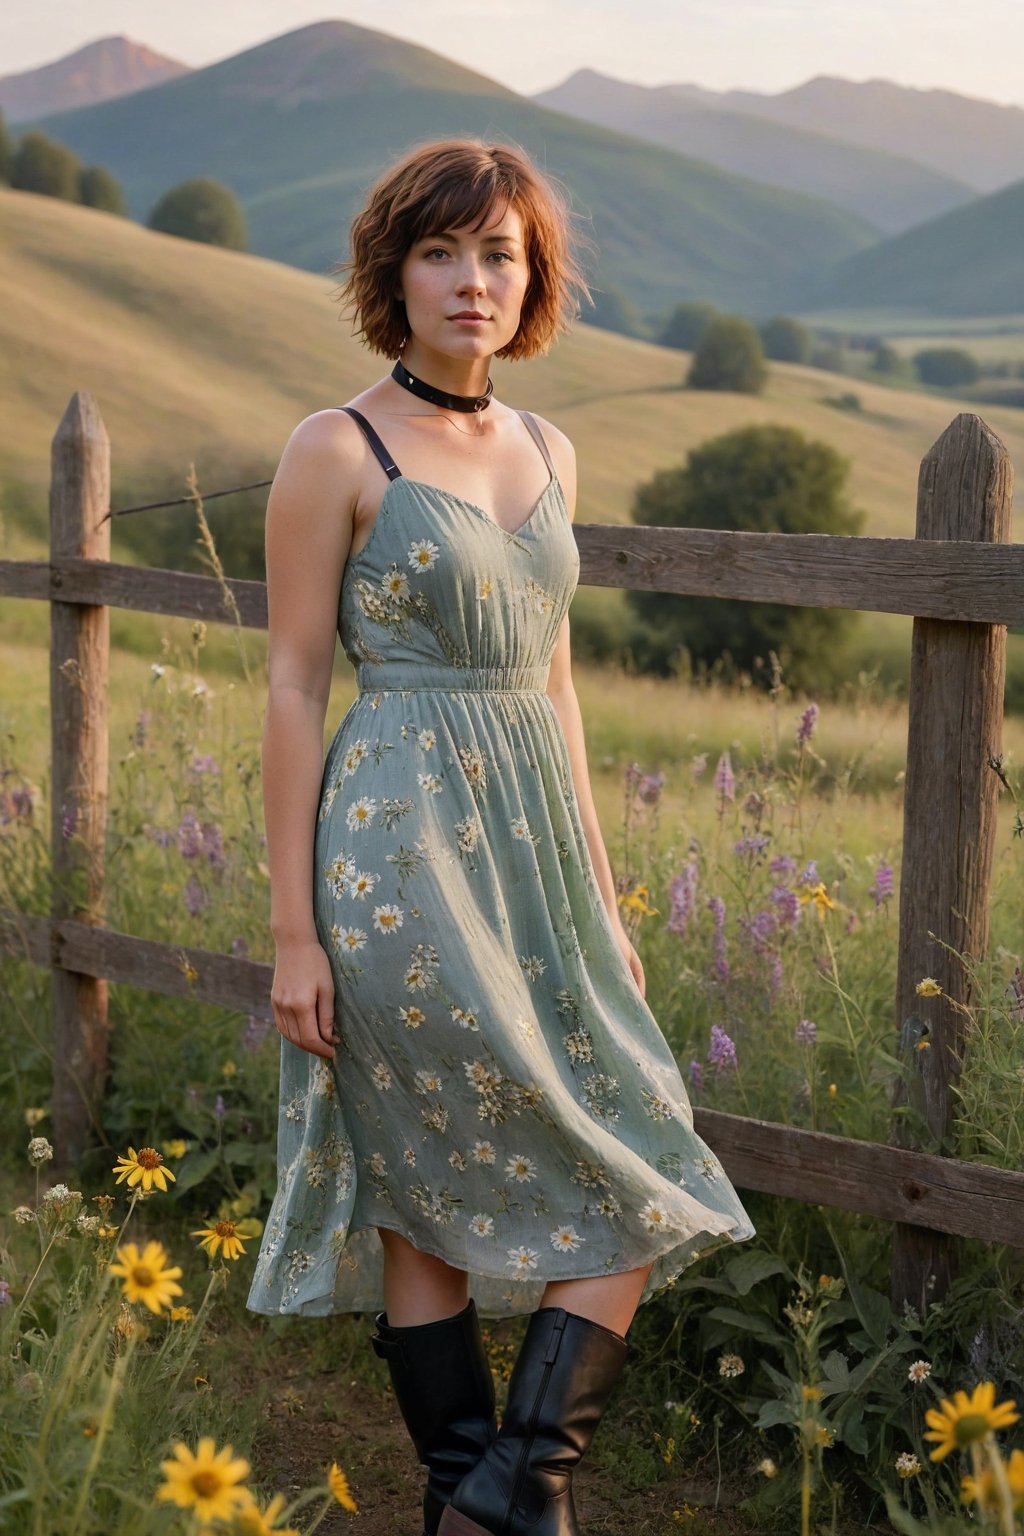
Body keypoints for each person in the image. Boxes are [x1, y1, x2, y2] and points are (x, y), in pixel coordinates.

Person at [246, 136, 756, 1536]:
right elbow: (293, 683)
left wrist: (601, 891)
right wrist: (293, 930)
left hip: (537, 853)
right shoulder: (331, 447)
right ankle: (503, 1494)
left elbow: (553, 681)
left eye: (499, 255)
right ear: (392, 272)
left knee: (642, 1133)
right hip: (396, 851)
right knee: (421, 1173)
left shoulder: (548, 446)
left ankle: (497, 1494)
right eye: (440, 251)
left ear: (531, 280)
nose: (471, 281)